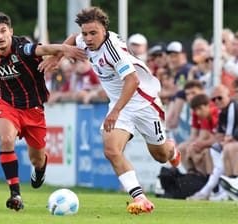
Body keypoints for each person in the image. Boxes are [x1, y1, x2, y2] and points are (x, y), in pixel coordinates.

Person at [41, 7, 180, 214]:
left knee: (160, 155)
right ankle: (140, 198)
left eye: (93, 33)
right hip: (120, 105)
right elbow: (72, 38)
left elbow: (132, 81)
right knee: (111, 150)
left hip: (144, 103)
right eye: (85, 33)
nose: (87, 38)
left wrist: (114, 111)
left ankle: (172, 149)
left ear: (104, 30)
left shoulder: (113, 49)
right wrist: (58, 56)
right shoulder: (84, 40)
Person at [0, 12, 87, 211]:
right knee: (6, 139)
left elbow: (44, 49)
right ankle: (15, 194)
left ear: (11, 32)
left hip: (33, 109)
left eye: (3, 31)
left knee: (37, 159)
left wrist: (64, 49)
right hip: (7, 105)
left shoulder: (22, 48)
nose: (0, 36)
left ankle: (40, 168)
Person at [187, 85, 237, 201]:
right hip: (228, 142)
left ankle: (212, 190)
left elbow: (228, 135)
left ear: (228, 95)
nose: (217, 101)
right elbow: (219, 136)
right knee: (215, 150)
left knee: (227, 149)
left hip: (232, 143)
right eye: (214, 99)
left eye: (220, 98)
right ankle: (219, 190)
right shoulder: (222, 112)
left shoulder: (232, 107)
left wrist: (203, 144)